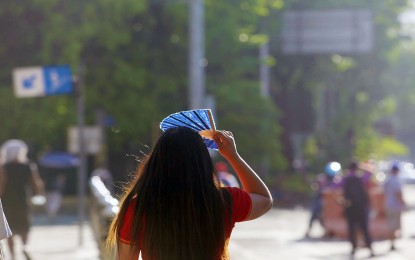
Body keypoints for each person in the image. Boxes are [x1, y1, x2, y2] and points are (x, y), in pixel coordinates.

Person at [106, 127, 273, 260]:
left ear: (157, 162)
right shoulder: (223, 200)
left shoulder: (138, 207)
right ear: (203, 162)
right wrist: (232, 155)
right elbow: (264, 200)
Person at [0, 144, 44, 259]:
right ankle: (25, 246)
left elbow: (1, 185)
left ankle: (13, 255)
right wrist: (39, 195)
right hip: (23, 199)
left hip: (7, 202)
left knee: (10, 229)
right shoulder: (28, 166)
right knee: (24, 226)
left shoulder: (4, 167)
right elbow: (37, 183)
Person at [341, 161, 374, 257]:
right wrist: (363, 167)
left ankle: (353, 249)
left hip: (349, 207)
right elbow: (370, 173)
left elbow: (334, 186)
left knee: (351, 229)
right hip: (361, 207)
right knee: (364, 228)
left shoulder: (345, 178)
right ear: (357, 168)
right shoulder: (361, 178)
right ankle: (370, 248)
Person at [305, 162, 339, 237]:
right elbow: (315, 186)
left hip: (330, 202)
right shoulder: (321, 178)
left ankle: (328, 231)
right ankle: (309, 229)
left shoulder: (336, 180)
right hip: (319, 199)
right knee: (315, 214)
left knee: (328, 216)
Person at [383, 164, 406, 251]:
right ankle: (392, 244)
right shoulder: (396, 180)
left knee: (390, 225)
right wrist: (403, 204)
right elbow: (398, 193)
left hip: (388, 205)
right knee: (394, 226)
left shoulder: (388, 180)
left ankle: (391, 243)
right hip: (395, 206)